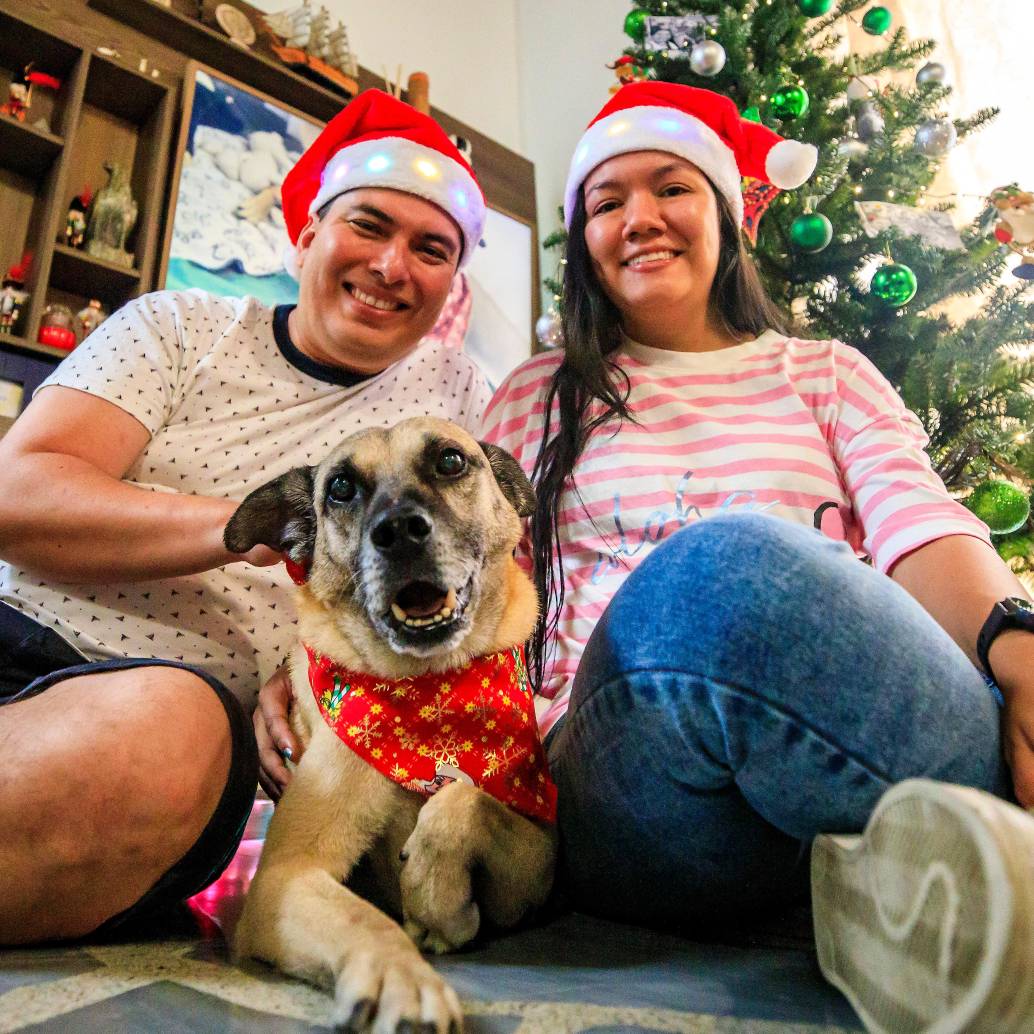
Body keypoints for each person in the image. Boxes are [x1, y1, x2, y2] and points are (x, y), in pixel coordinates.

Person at [481, 82, 1034, 1034]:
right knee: (727, 568)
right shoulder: (538, 395)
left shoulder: (826, 373)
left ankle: (886, 890)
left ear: (728, 217)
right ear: (584, 244)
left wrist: (1014, 639)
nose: (639, 218)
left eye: (670, 188)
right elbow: (473, 585)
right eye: (606, 203)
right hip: (626, 783)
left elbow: (917, 523)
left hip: (843, 747)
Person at [0, 89, 492, 944]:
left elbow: (489, 574)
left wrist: (320, 672)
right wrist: (259, 525)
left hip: (188, 749)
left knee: (174, 727)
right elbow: (19, 495)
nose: (391, 266)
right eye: (368, 226)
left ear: (452, 284)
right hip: (18, 645)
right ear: (306, 233)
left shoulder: (457, 402)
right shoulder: (182, 326)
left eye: (432, 249)